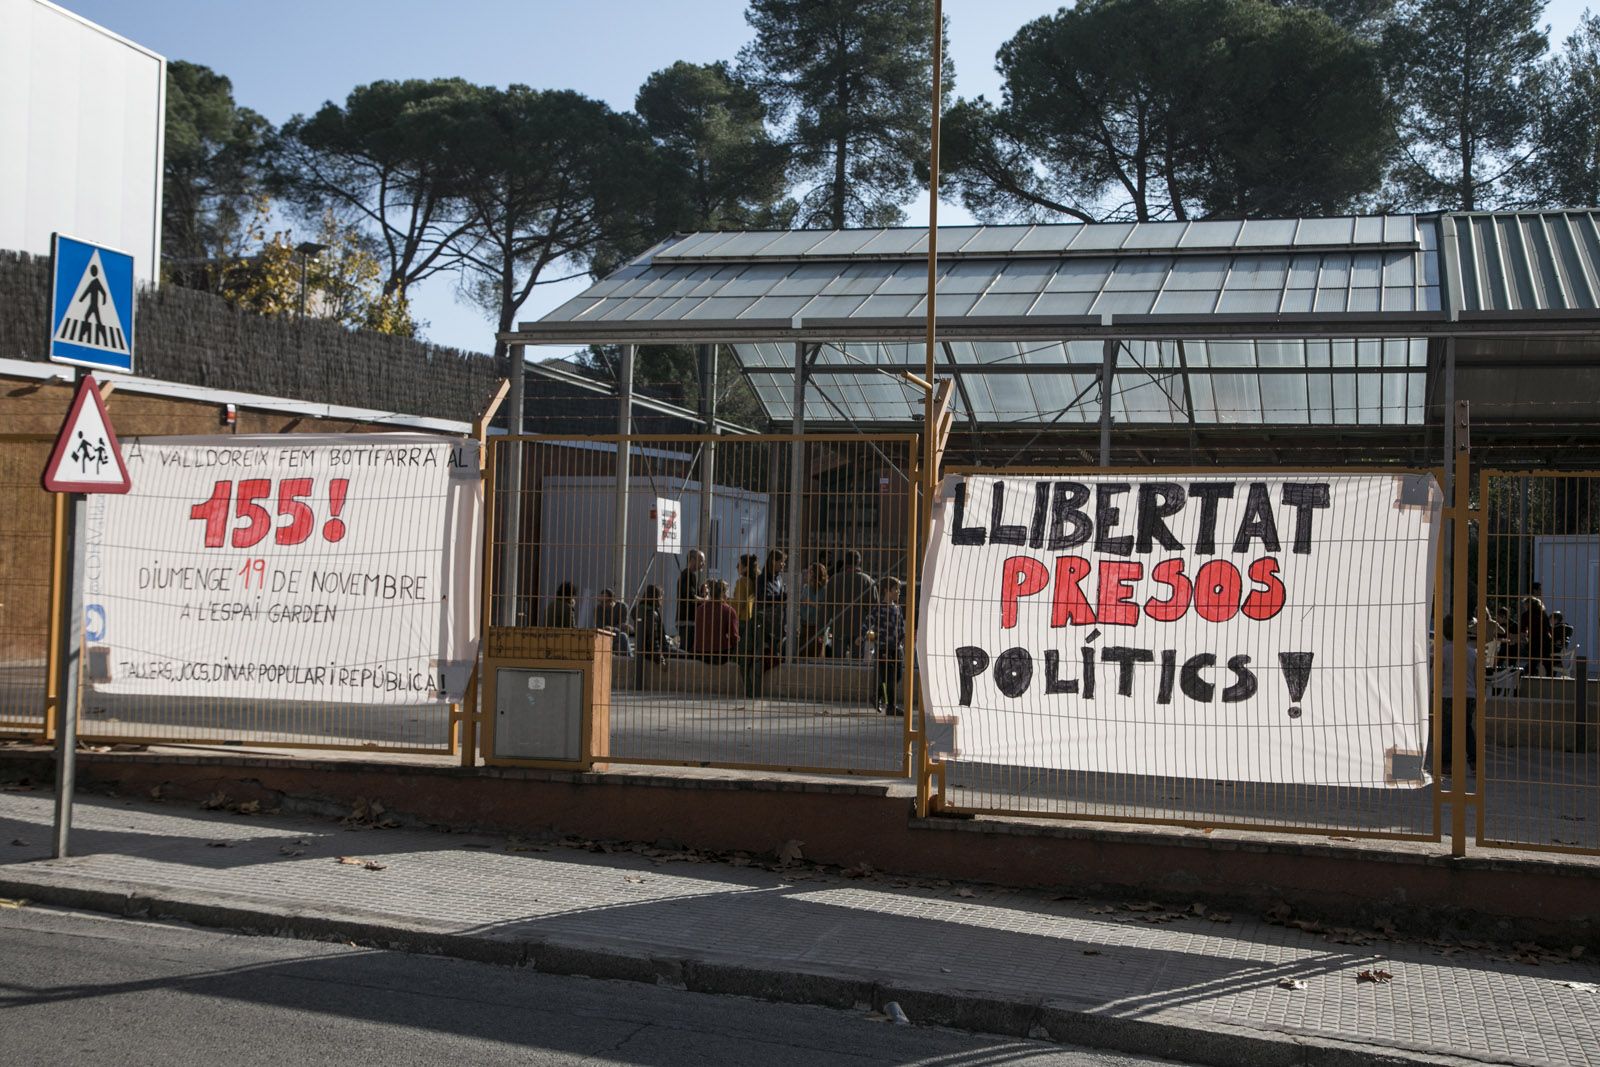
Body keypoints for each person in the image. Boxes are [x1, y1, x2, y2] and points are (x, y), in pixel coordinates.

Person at [1434, 613, 1479, 775]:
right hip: (1468, 695)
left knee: (1446, 729)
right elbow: (1477, 677)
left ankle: (1446, 764)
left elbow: (1437, 676)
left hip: (1448, 695)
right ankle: (1475, 762)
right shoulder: (1472, 652)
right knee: (1466, 728)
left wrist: (1434, 691)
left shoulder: (1443, 652)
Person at [744, 549, 787, 698]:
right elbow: (763, 598)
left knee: (773, 655)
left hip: (776, 623)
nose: (783, 564)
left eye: (784, 561)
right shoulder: (762, 579)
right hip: (761, 623)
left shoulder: (779, 579)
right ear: (773, 561)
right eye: (780, 561)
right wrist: (781, 597)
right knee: (759, 656)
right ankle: (754, 690)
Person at [860, 577, 906, 716]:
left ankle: (876, 695)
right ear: (887, 590)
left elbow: (901, 627)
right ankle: (891, 707)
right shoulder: (878, 608)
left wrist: (903, 639)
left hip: (896, 648)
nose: (898, 592)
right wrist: (861, 636)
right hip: (883, 647)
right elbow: (867, 623)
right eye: (895, 589)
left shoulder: (897, 608)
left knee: (897, 676)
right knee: (890, 677)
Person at [829, 550, 878, 659]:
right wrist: (870, 625)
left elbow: (826, 606)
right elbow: (875, 607)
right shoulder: (867, 581)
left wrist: (821, 628)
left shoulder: (834, 580)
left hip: (839, 626)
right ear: (859, 562)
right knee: (857, 663)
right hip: (859, 627)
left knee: (837, 663)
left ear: (845, 562)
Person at [694, 579, 740, 665]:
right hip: (718, 655)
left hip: (700, 653)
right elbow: (734, 636)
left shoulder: (700, 609)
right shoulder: (728, 610)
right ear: (723, 594)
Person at [632, 585, 668, 689]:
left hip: (641, 650)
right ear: (656, 597)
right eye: (661, 596)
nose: (662, 599)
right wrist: (660, 659)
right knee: (688, 655)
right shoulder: (652, 613)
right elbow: (653, 638)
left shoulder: (640, 610)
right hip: (653, 651)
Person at [797, 562, 831, 658]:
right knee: (803, 655)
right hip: (805, 625)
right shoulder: (806, 587)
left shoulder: (824, 589)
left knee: (817, 655)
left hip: (817, 627)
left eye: (810, 571)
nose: (807, 573)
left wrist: (810, 603)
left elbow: (825, 607)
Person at [676, 549, 705, 653]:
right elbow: (691, 597)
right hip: (687, 620)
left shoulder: (687, 574)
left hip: (685, 620)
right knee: (686, 651)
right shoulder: (689, 574)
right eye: (701, 560)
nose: (703, 564)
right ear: (692, 560)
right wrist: (706, 600)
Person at [594, 588, 633, 656]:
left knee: (623, 636)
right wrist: (613, 628)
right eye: (602, 602)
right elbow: (600, 627)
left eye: (606, 601)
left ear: (613, 600)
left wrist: (612, 628)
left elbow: (623, 626)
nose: (604, 604)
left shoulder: (622, 607)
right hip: (604, 635)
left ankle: (629, 660)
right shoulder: (599, 608)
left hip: (617, 634)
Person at [732, 554, 759, 626]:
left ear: (746, 568)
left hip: (742, 620)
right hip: (751, 618)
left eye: (739, 564)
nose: (737, 567)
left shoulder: (742, 582)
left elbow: (739, 604)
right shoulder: (754, 580)